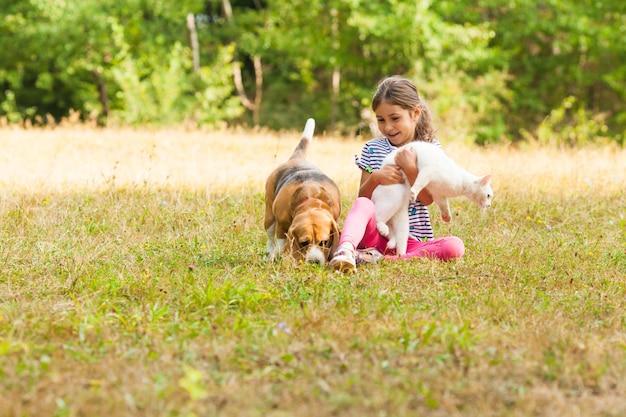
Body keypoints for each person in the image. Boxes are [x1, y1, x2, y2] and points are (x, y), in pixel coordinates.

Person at [329, 76, 465, 273]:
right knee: (362, 205)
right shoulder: (372, 149)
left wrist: (410, 168)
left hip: (411, 239)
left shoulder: (430, 149)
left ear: (415, 113)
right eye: (381, 120)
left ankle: (381, 259)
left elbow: (427, 199)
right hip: (375, 234)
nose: (387, 127)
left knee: (454, 246)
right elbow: (363, 200)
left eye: (395, 118)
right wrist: (376, 178)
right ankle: (346, 250)